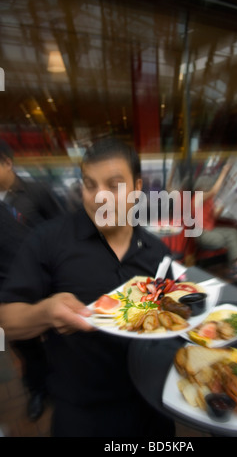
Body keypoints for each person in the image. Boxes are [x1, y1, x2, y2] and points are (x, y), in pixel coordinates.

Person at [0, 137, 175, 437]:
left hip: (153, 407)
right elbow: (7, 319)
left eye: (114, 184)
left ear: (136, 187)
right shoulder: (48, 240)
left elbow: (168, 317)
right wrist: (45, 312)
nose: (99, 197)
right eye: (90, 184)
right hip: (83, 414)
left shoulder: (157, 252)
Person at [0, 140, 64, 421]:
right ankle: (38, 389)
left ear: (7, 162)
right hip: (8, 290)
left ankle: (66, 386)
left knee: (59, 337)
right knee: (26, 347)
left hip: (47, 282)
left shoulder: (37, 191)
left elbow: (63, 230)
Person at [194, 164, 237, 272]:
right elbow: (214, 191)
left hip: (210, 230)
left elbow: (214, 216)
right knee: (232, 239)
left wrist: (223, 203)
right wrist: (224, 172)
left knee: (234, 232)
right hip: (202, 235)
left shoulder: (208, 200)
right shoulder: (197, 197)